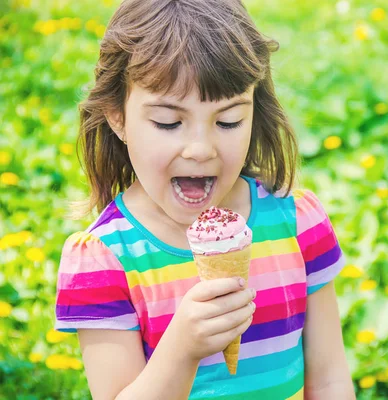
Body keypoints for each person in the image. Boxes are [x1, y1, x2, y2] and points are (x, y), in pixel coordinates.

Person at [53, 0, 355, 399]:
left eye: (228, 121)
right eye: (168, 122)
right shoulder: (104, 260)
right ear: (117, 116)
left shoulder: (298, 224)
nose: (200, 148)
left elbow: (330, 378)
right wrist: (181, 350)